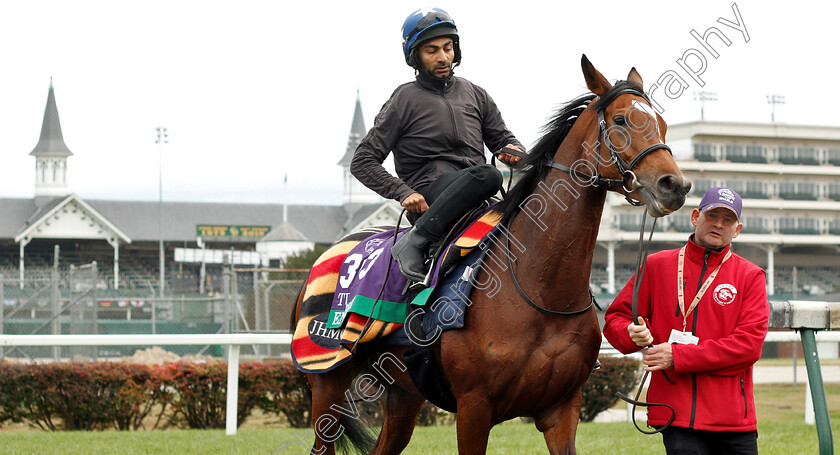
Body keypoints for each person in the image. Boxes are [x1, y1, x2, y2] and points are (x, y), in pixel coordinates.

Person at [350, 7, 524, 282]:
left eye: (448, 48)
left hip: (476, 193)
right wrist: (402, 192)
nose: (443, 57)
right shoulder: (404, 99)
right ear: (415, 56)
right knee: (489, 175)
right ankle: (415, 242)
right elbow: (362, 161)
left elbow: (503, 139)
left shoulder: (475, 93)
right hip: (432, 196)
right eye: (432, 51)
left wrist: (515, 151)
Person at [603, 187, 769, 455]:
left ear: (737, 229)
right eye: (712, 214)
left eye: (727, 219)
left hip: (732, 417)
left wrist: (678, 357)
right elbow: (616, 319)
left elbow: (748, 346)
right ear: (695, 216)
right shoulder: (657, 265)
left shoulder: (750, 276)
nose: (718, 224)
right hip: (675, 413)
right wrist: (631, 334)